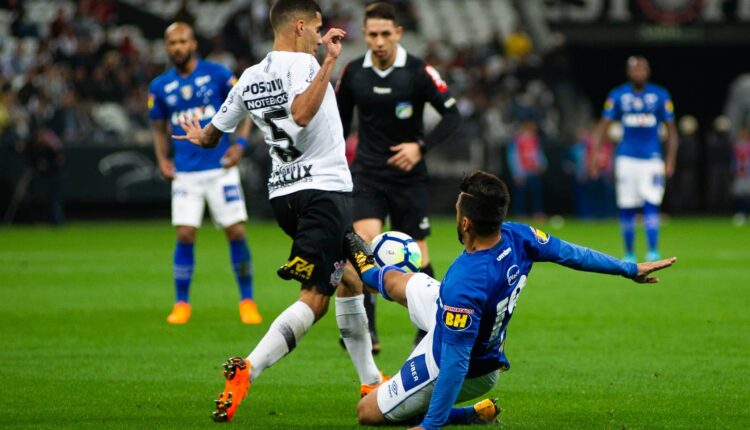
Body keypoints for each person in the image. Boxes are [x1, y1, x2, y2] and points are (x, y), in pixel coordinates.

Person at [174, 0, 384, 422]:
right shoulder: (308, 67)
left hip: (284, 196)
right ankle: (248, 368)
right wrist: (328, 62)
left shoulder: (249, 77)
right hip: (324, 191)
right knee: (317, 296)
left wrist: (200, 136)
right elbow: (302, 113)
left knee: (350, 280)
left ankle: (371, 379)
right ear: (301, 26)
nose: (321, 37)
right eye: (317, 30)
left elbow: (215, 134)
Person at [355, 171, 677, 429]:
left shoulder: (465, 281)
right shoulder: (517, 236)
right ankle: (362, 260)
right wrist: (627, 268)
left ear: (465, 222)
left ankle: (460, 415)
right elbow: (571, 253)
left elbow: (455, 365)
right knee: (400, 281)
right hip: (459, 320)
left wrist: (432, 427)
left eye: (457, 210)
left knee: (368, 412)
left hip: (467, 366)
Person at [335, 2, 463, 348]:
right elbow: (339, 125)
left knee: (418, 253)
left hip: (409, 177)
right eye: (372, 34)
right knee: (364, 241)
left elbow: (453, 116)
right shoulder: (353, 72)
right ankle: (367, 330)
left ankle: (428, 327)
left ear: (398, 34)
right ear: (365, 34)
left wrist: (419, 146)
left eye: (385, 34)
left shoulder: (418, 71)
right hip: (368, 172)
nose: (378, 41)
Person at [148, 22, 262, 325]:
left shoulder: (218, 74)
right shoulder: (160, 86)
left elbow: (245, 106)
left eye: (182, 41)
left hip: (220, 167)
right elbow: (158, 127)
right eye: (172, 42)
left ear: (193, 43)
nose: (177, 47)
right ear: (166, 46)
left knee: (236, 231)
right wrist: (162, 158)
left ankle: (247, 300)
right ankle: (182, 303)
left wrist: (239, 144)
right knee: (185, 233)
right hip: (186, 171)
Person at [589, 56, 678, 263]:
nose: (639, 72)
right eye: (635, 69)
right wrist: (595, 154)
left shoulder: (660, 94)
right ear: (628, 72)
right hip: (626, 158)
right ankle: (629, 252)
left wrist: (670, 158)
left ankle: (652, 249)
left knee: (651, 201)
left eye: (642, 69)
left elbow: (672, 130)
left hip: (652, 158)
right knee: (627, 205)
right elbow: (604, 125)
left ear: (648, 71)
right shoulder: (618, 95)